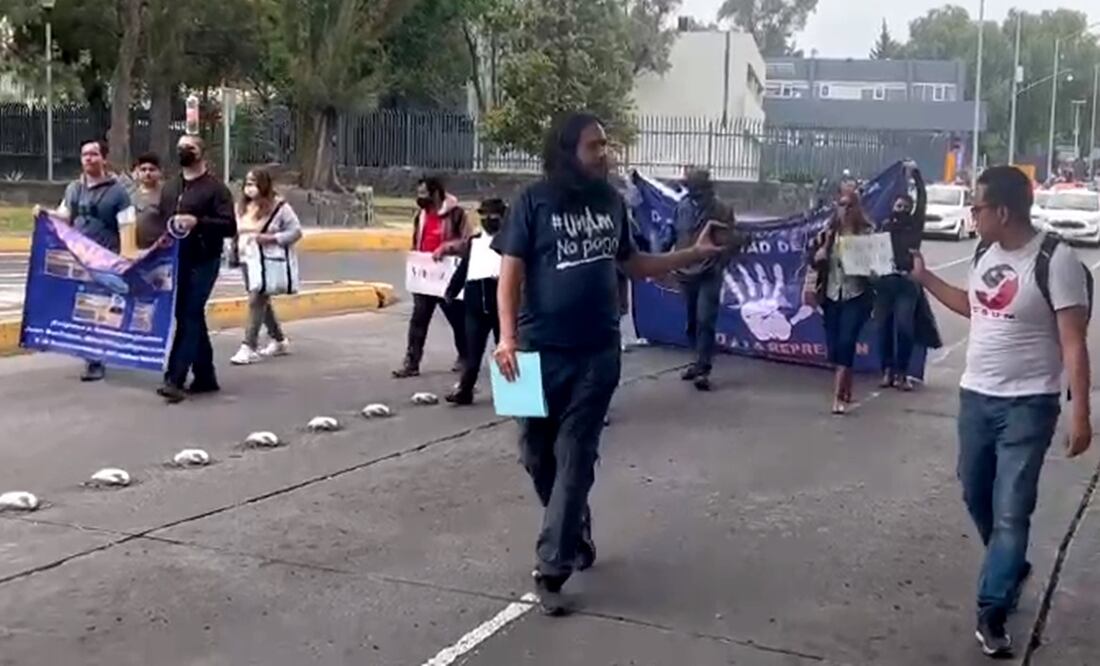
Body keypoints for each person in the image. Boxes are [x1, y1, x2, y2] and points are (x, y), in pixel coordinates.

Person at [492, 111, 726, 616]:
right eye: (595, 146)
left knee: (576, 452)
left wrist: (692, 253)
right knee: (535, 453)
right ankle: (573, 527)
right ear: (567, 150)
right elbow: (508, 276)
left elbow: (635, 264)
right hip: (531, 351)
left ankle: (552, 565)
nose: (606, 154)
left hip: (598, 352)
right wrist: (506, 340)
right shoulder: (532, 202)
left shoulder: (612, 202)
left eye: (605, 145)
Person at [913, 166, 1092, 658]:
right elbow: (976, 306)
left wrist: (1082, 414)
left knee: (1012, 510)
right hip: (976, 397)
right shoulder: (983, 252)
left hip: (1029, 405)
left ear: (1004, 211)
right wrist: (926, 278)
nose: (972, 214)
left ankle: (992, 609)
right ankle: (1008, 565)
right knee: (975, 491)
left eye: (978, 206)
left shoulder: (1057, 261)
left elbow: (1074, 344)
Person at [34, 138, 134, 382]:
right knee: (84, 308)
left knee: (101, 308)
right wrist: (45, 214)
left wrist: (126, 257)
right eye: (85, 155)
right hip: (79, 260)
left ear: (104, 159)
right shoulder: (73, 189)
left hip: (105, 260)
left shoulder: (118, 192)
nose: (89, 158)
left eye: (94, 154)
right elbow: (64, 218)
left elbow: (127, 226)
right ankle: (93, 358)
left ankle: (98, 358)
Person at [155, 135, 236, 404]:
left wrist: (197, 222)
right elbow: (162, 220)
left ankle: (174, 378)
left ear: (202, 153)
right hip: (177, 259)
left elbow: (229, 226)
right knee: (188, 315)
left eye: (189, 148)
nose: (183, 151)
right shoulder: (171, 187)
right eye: (179, 147)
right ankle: (205, 375)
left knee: (189, 313)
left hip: (205, 259)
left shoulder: (216, 189)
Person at [393, 176, 472, 378]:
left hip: (447, 277)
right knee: (418, 320)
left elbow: (467, 241)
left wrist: (447, 248)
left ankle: (465, 357)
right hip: (425, 277)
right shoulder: (421, 215)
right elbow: (416, 241)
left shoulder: (456, 214)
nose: (420, 198)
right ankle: (411, 362)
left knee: (457, 319)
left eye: (424, 193)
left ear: (436, 193)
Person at [804, 191, 875, 415]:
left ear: (857, 208)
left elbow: (879, 267)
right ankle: (847, 382)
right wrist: (818, 256)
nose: (844, 209)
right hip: (832, 295)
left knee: (846, 340)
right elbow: (811, 258)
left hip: (856, 295)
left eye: (849, 205)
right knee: (834, 348)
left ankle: (837, 397)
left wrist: (865, 266)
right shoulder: (828, 233)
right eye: (841, 205)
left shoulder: (866, 234)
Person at [230, 168, 303, 366]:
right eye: (247, 183)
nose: (249, 188)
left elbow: (296, 231)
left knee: (257, 299)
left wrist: (272, 238)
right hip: (247, 259)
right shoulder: (242, 206)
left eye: (253, 183)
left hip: (266, 260)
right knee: (262, 300)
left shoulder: (279, 207)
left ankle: (248, 346)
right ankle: (279, 339)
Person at [673, 167, 737, 391]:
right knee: (692, 321)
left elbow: (731, 241)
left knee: (705, 320)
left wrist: (720, 260)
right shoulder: (682, 207)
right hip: (685, 272)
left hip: (709, 273)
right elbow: (673, 234)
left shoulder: (722, 209)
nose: (694, 194)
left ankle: (703, 369)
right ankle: (696, 360)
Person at [443, 198, 507, 406]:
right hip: (474, 304)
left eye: (493, 216)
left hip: (501, 303)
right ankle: (465, 389)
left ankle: (510, 393)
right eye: (484, 216)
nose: (488, 220)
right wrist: (451, 290)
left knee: (505, 349)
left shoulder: (511, 242)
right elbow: (464, 268)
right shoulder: (475, 242)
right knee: (472, 351)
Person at [876, 162, 926, 391]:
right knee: (883, 327)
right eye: (898, 204)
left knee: (904, 327)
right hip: (887, 282)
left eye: (906, 205)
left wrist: (915, 174)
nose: (901, 207)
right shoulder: (885, 225)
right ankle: (886, 370)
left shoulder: (914, 226)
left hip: (907, 282)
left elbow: (923, 199)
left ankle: (902, 372)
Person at [132, 153, 165, 249]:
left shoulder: (167, 193)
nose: (147, 173)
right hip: (135, 249)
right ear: (138, 172)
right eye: (143, 170)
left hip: (159, 249)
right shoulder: (130, 193)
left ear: (160, 172)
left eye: (152, 169)